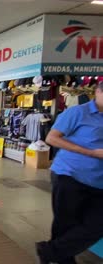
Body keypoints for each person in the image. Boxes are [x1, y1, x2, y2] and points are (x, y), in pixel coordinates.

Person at [36, 81, 103, 264]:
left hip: (98, 181)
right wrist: (91, 152)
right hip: (70, 175)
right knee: (65, 223)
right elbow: (52, 138)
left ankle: (50, 252)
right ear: (97, 92)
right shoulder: (78, 112)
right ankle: (62, 259)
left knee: (97, 224)